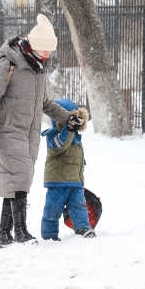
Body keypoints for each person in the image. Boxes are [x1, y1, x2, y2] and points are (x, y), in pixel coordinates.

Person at [0, 14, 85, 248]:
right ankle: (21, 232)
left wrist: (69, 118)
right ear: (35, 45)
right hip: (7, 129)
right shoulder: (10, 63)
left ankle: (4, 236)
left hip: (29, 132)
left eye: (50, 51)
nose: (48, 55)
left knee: (15, 180)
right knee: (21, 176)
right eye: (45, 50)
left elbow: (45, 104)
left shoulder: (39, 69)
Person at [39, 98, 95, 240]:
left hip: (75, 183)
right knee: (52, 210)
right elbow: (60, 145)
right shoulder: (52, 135)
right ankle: (49, 235)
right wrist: (68, 129)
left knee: (79, 207)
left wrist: (80, 179)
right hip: (58, 182)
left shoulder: (76, 137)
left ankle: (83, 228)